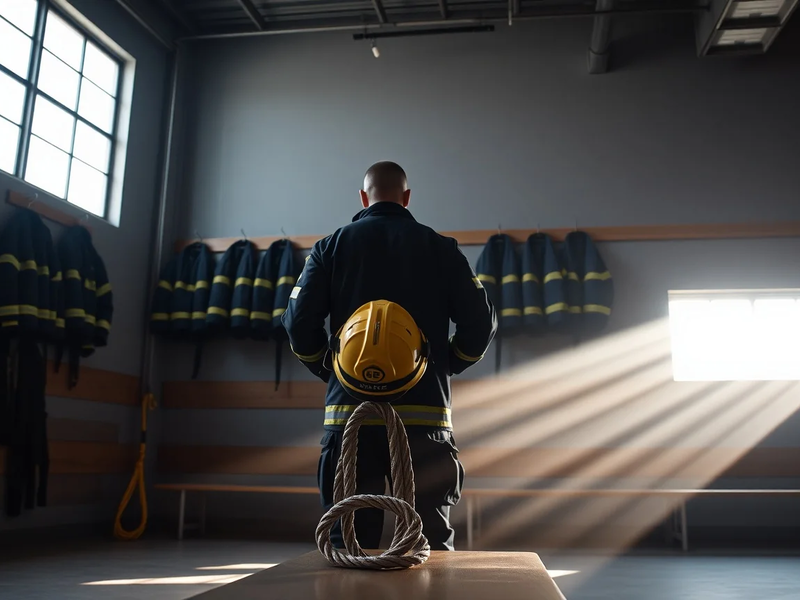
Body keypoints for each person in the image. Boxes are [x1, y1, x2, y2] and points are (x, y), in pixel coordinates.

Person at [281, 161, 497, 551]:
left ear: (363, 197)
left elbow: (298, 323)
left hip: (350, 416)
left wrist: (331, 370)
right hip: (424, 418)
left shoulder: (330, 247)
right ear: (407, 197)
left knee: (349, 544)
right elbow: (480, 325)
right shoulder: (441, 248)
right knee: (427, 544)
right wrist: (445, 365)